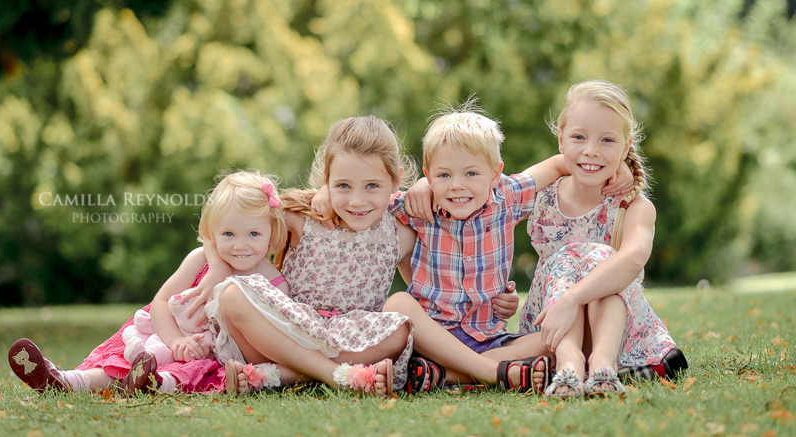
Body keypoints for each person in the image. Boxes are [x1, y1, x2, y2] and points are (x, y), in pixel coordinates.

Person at [314, 100, 633, 394]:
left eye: (471, 173)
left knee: (558, 339)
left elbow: (558, 164)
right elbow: (368, 193)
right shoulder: (418, 205)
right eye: (443, 175)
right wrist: (325, 192)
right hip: (432, 337)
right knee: (398, 304)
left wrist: (619, 166)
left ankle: (448, 375)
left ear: (495, 175)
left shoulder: (507, 197)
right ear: (428, 176)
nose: (457, 185)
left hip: (489, 336)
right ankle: (491, 372)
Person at [186, 116, 417, 397]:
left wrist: (424, 188)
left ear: (395, 181)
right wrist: (217, 269)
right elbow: (218, 228)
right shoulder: (301, 217)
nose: (357, 201)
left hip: (351, 337)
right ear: (327, 181)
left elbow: (421, 285)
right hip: (285, 330)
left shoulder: (401, 234)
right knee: (231, 295)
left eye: (371, 186)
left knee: (402, 330)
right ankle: (337, 375)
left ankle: (279, 375)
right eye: (343, 186)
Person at [7, 170, 288, 394]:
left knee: (189, 372)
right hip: (167, 336)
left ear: (272, 230)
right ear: (213, 231)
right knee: (127, 360)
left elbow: (269, 342)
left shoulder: (275, 285)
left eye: (253, 234)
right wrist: (176, 341)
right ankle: (67, 380)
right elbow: (161, 302)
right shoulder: (200, 259)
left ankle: (151, 383)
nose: (240, 245)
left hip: (211, 357)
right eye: (228, 234)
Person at [517, 80, 682, 398]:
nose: (591, 150)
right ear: (560, 139)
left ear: (625, 146)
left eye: (607, 140)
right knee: (566, 257)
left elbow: (633, 259)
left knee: (601, 258)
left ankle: (603, 365)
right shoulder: (542, 197)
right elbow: (493, 196)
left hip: (615, 333)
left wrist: (572, 299)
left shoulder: (634, 206)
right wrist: (424, 185)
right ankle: (569, 364)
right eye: (578, 137)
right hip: (555, 328)